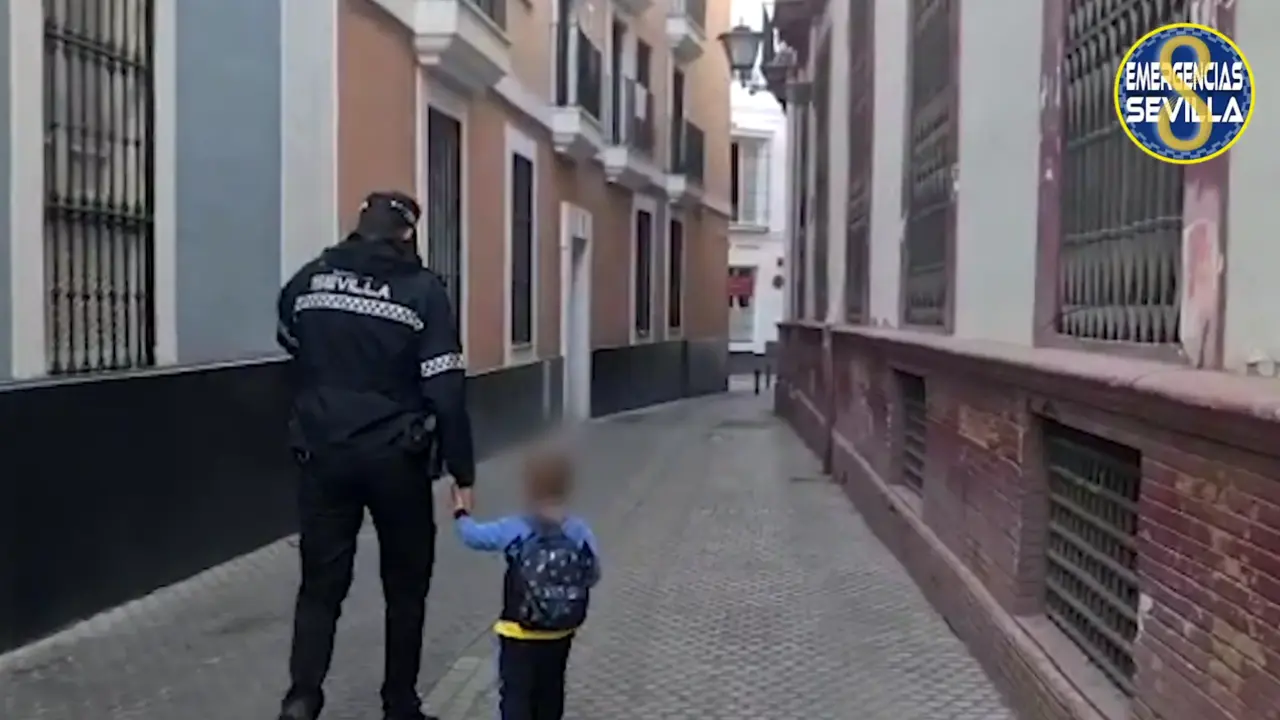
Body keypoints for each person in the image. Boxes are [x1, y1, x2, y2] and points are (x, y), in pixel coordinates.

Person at [275, 190, 476, 720]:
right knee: (405, 586)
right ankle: (399, 705)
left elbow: (288, 335)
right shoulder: (422, 292)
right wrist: (463, 468)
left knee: (320, 584)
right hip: (396, 459)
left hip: (323, 453)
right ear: (407, 233)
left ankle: (302, 698)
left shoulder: (311, 278)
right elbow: (446, 388)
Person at [453, 447, 600, 720]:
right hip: (559, 634)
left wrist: (461, 511)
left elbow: (472, 537)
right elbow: (592, 574)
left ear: (530, 488)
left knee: (516, 697)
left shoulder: (515, 527)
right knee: (550, 695)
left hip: (519, 633)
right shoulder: (579, 530)